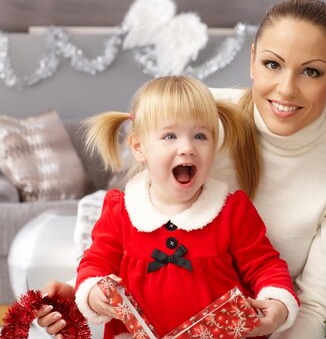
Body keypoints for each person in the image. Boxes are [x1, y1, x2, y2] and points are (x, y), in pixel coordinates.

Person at [37, 0, 326, 339]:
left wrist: (275, 313)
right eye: (273, 64)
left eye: (311, 71)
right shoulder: (201, 112)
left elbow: (316, 304)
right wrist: (83, 292)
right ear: (253, 61)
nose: (287, 88)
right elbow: (140, 223)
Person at [72, 75, 299, 338]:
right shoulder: (121, 211)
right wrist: (92, 293)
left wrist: (278, 304)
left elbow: (265, 265)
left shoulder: (230, 210)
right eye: (170, 136)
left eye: (200, 136)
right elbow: (95, 262)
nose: (188, 148)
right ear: (139, 147)